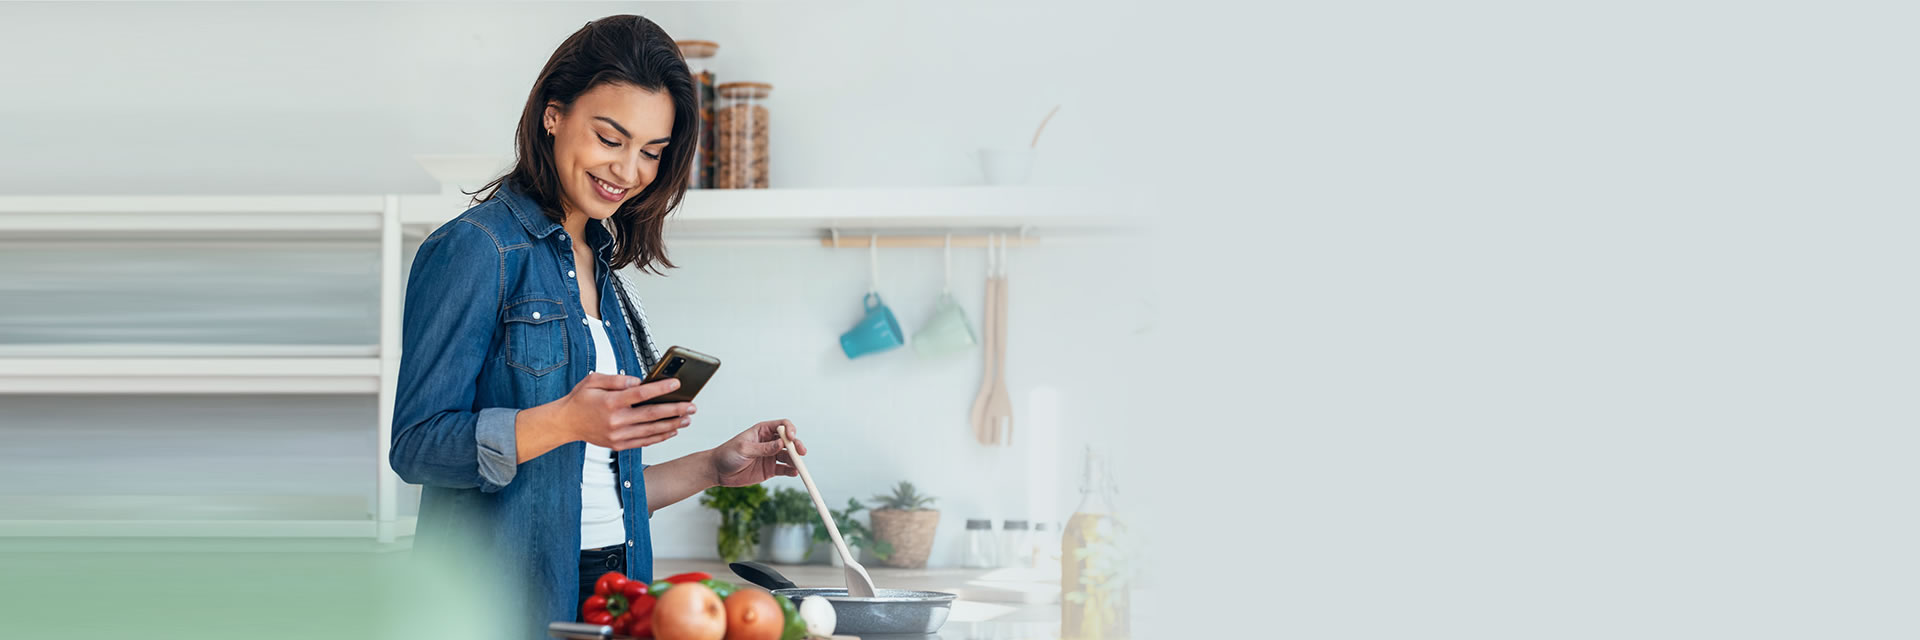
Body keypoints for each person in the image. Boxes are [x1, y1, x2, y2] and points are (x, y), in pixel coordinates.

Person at [387, 15, 808, 638]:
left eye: (651, 152)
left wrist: (713, 468)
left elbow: (589, 488)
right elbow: (416, 446)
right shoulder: (477, 249)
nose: (630, 170)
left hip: (618, 588)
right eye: (610, 138)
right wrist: (563, 420)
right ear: (554, 114)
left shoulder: (604, 268)